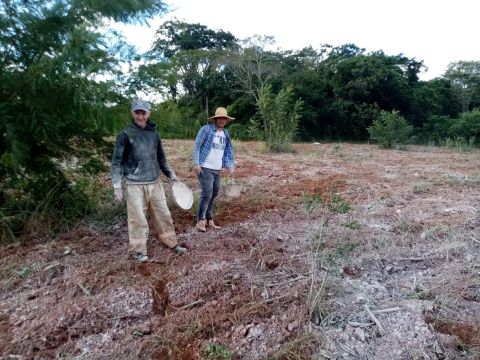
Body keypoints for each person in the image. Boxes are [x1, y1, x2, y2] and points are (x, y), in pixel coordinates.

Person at [111, 99, 187, 262]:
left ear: (148, 113)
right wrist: (117, 186)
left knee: (163, 215)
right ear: (132, 113)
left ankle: (171, 242)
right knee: (137, 219)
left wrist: (172, 175)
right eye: (137, 112)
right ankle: (138, 251)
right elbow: (116, 161)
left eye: (143, 113)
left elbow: (162, 159)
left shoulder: (154, 134)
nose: (140, 116)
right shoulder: (125, 134)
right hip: (134, 185)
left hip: (155, 183)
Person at [193, 107, 235, 232]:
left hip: (217, 169)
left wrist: (230, 165)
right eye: (220, 118)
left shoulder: (226, 133)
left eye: (224, 118)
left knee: (214, 193)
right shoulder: (206, 130)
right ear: (215, 119)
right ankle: (200, 221)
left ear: (226, 120)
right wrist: (196, 163)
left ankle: (209, 219)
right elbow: (197, 146)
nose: (222, 120)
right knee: (207, 194)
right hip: (205, 167)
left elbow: (228, 151)